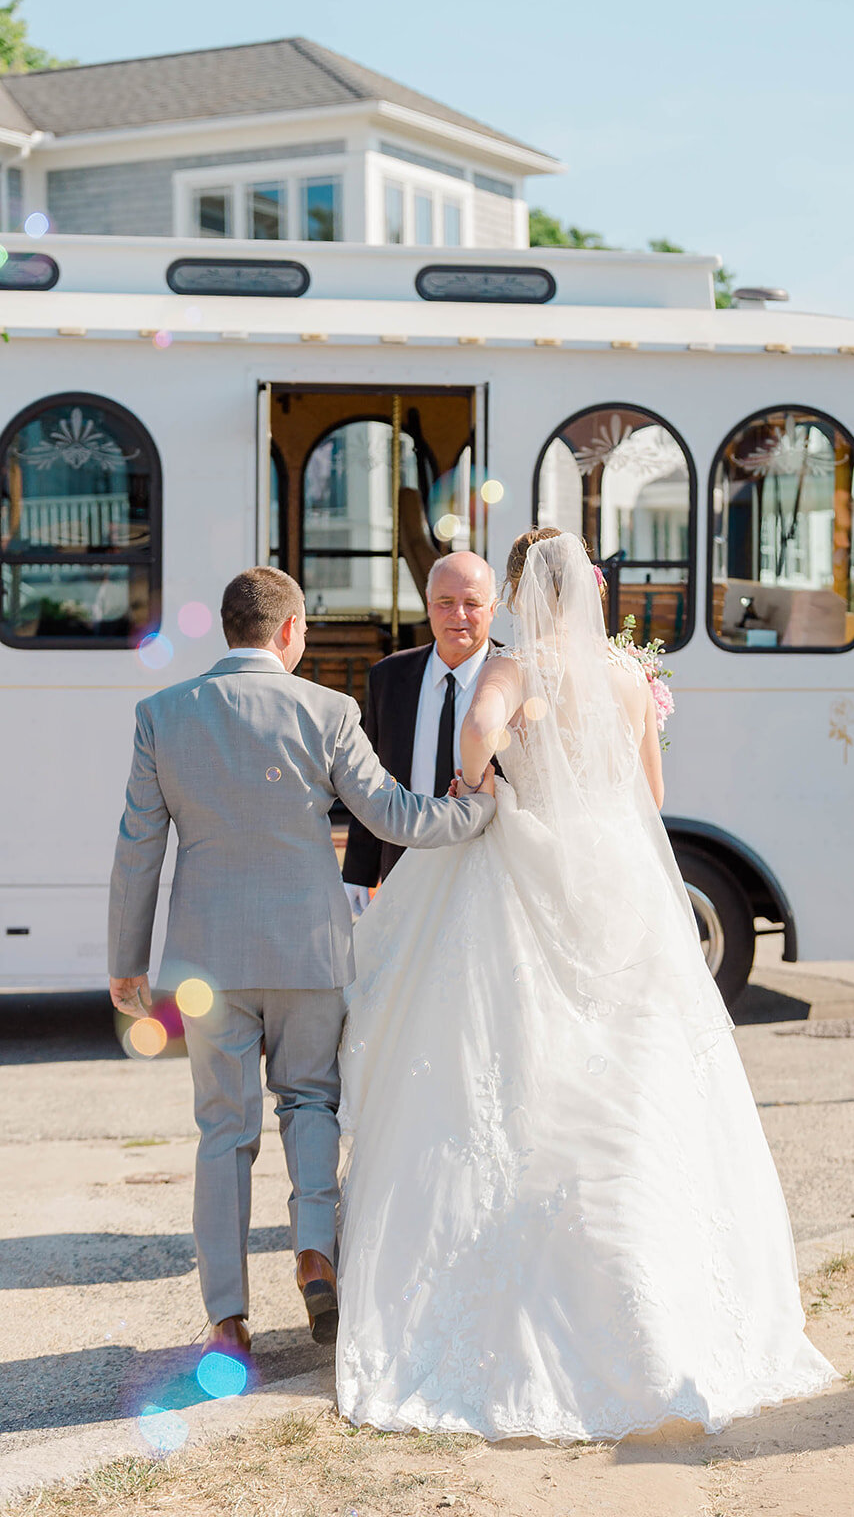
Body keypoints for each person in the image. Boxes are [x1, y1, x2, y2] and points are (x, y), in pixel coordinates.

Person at [334, 530, 836, 1442]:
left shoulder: (516, 671)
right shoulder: (626, 680)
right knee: (633, 1072)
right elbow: (646, 794)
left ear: (521, 595)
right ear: (591, 593)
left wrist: (477, 775)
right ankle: (659, 1293)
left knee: (512, 1065)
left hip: (522, 871)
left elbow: (479, 734)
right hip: (616, 876)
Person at [107, 566, 496, 1359]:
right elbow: (390, 815)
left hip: (204, 962)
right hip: (310, 950)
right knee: (311, 1104)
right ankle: (314, 1255)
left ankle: (226, 1316)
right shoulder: (328, 709)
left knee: (223, 1130)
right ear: (289, 631)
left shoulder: (162, 715)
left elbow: (137, 850)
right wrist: (478, 808)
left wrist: (126, 961)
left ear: (230, 629)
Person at [342, 551, 499, 913]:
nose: (458, 615)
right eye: (445, 602)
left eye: (472, 603)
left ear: (493, 608)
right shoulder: (389, 677)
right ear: (428, 606)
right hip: (404, 869)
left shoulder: (513, 677)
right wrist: (358, 871)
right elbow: (369, 780)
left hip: (484, 873)